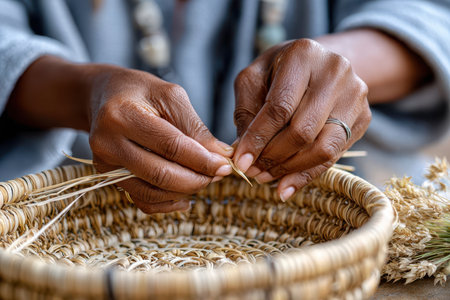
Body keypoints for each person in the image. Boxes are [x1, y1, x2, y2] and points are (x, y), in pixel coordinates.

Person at [0, 0, 449, 214]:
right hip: (69, 227)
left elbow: (434, 15)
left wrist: (335, 68)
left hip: (336, 226)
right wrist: (88, 92)